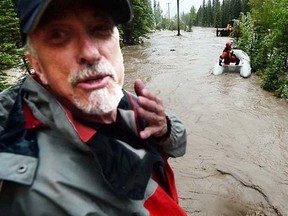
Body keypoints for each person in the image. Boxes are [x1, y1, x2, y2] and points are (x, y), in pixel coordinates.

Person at [0, 0, 187, 215]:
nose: (90, 53)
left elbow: (179, 143)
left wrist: (165, 129)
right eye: (58, 35)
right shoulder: (24, 178)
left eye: (101, 29)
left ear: (118, 43)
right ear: (37, 65)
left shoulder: (119, 97)